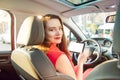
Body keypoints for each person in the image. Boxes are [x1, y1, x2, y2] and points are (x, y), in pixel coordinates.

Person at [33, 14, 92, 80]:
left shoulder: (36, 50)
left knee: (89, 70)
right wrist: (80, 63)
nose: (58, 33)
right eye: (51, 30)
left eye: (60, 28)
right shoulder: (58, 56)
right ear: (43, 32)